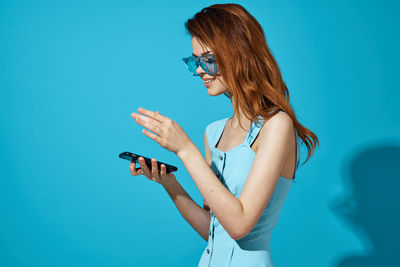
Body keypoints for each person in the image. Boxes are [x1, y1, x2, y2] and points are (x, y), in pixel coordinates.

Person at [129, 3, 319, 266]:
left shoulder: (277, 125)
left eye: (208, 60)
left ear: (239, 54)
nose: (198, 71)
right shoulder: (214, 132)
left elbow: (240, 226)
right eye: (195, 61)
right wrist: (169, 184)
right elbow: (214, 230)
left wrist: (185, 149)